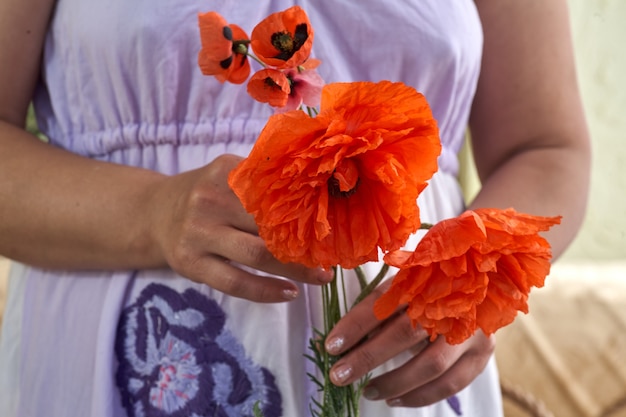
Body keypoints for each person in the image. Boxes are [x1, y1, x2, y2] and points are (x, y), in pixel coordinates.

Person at [0, 0, 590, 416]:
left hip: (402, 387)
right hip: (126, 372)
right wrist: (153, 212)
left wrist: (467, 288)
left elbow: (545, 147)